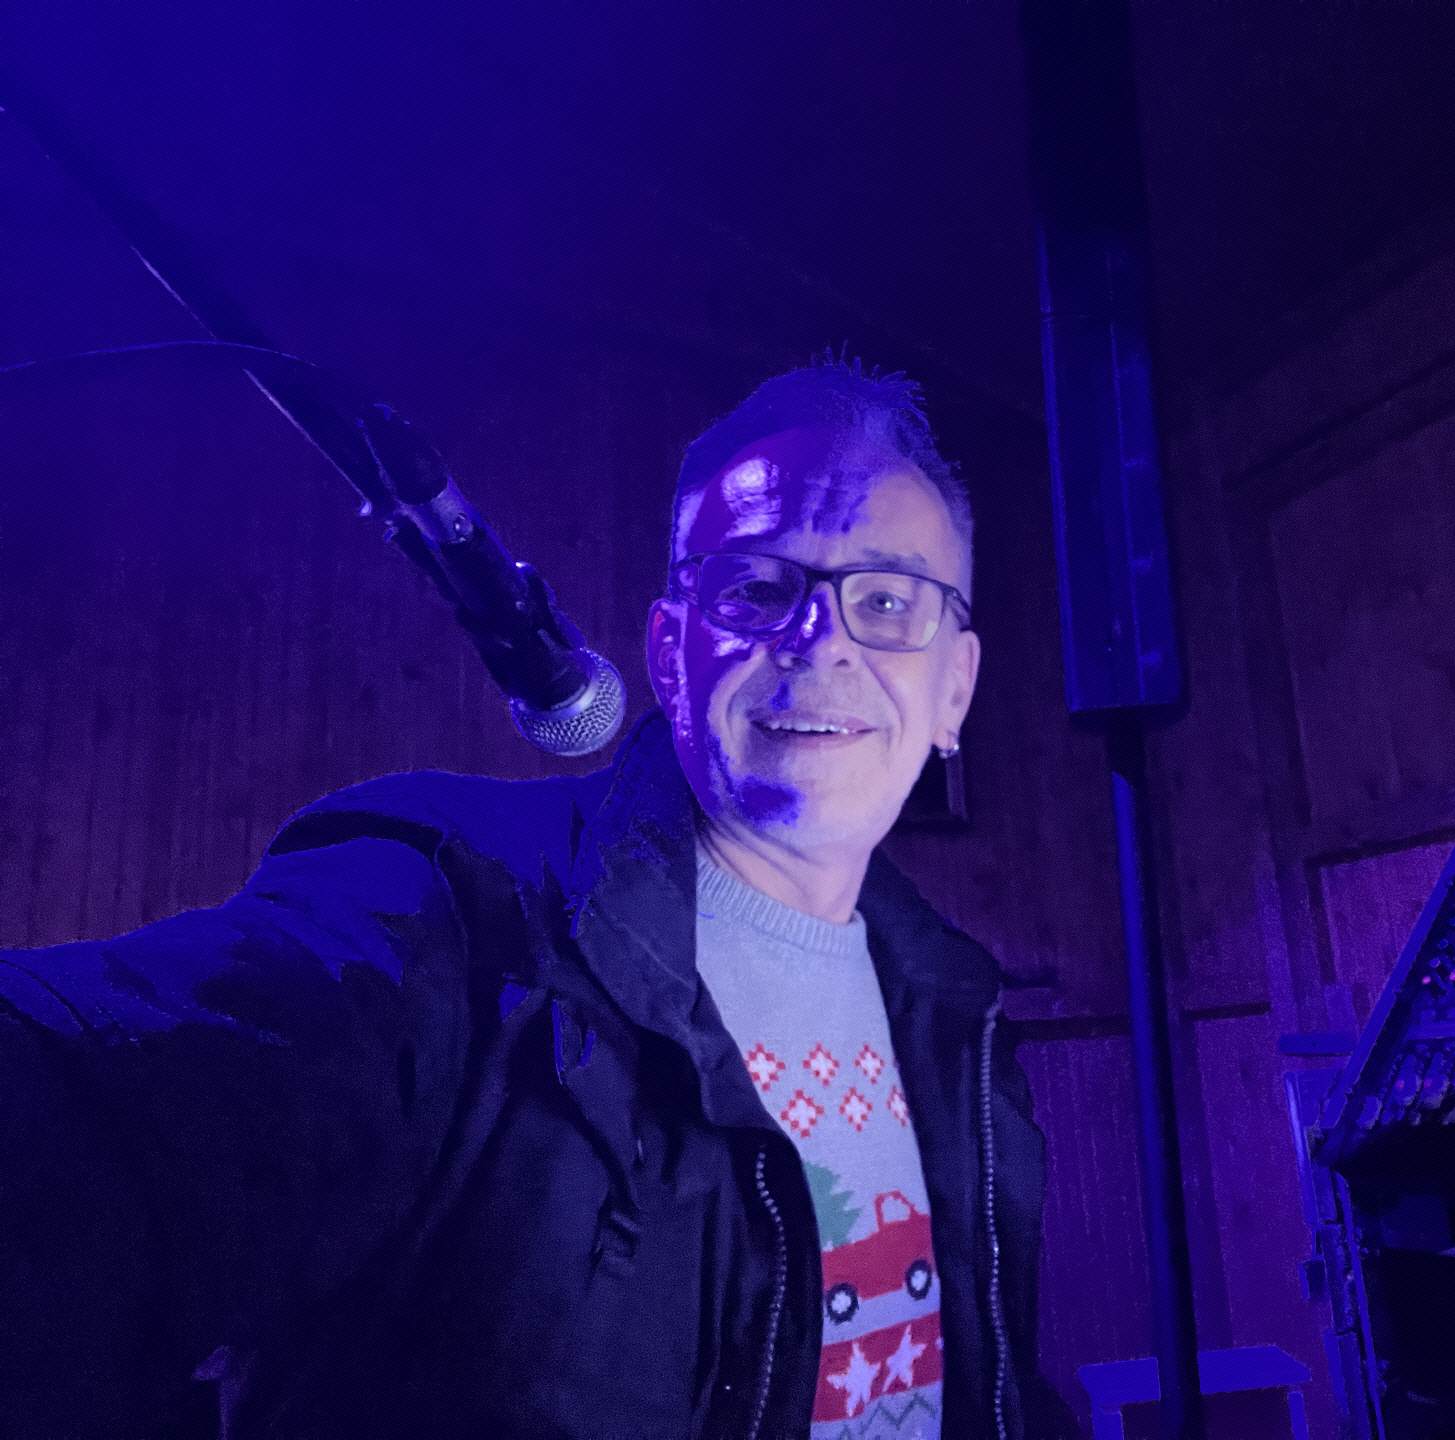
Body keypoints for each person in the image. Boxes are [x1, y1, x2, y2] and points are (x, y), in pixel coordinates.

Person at [0, 361, 1078, 1439]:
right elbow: (93, 1128)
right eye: (757, 587)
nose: (821, 636)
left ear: (955, 690)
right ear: (670, 655)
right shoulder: (442, 912)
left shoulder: (960, 1023)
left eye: (886, 600)